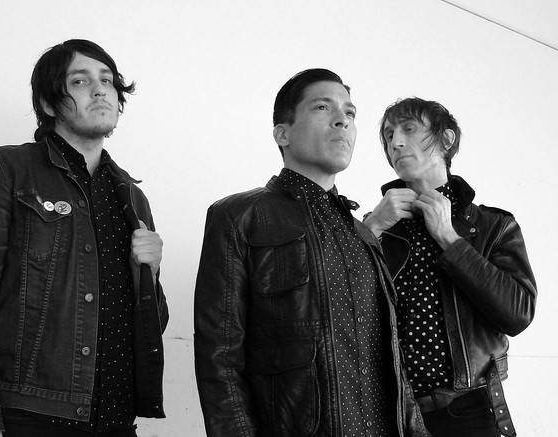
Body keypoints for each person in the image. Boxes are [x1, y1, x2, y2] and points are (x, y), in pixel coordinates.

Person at [0, 39, 168, 437]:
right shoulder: (5, 170)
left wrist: (148, 273)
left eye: (107, 80)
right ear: (47, 104)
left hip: (116, 420)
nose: (100, 90)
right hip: (27, 418)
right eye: (80, 81)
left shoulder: (132, 197)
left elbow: (150, 326)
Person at [193, 69, 429, 437]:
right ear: (282, 134)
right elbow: (219, 358)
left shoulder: (363, 235)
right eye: (322, 107)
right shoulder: (240, 216)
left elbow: (393, 364)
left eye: (350, 113)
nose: (342, 120)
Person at [363, 97, 536, 437]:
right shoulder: (376, 228)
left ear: (446, 139)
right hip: (394, 414)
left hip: (472, 411)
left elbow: (517, 314)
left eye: (409, 129)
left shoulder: (492, 226)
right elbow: (342, 313)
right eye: (389, 135)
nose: (396, 143)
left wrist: (449, 238)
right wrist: (370, 231)